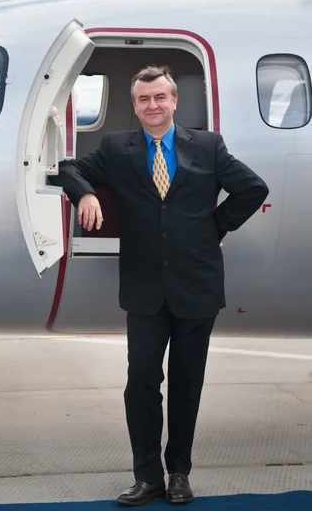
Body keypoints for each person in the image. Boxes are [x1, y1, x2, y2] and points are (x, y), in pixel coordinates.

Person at [48, 66, 269, 506]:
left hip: (197, 285)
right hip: (144, 288)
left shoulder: (207, 146)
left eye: (160, 97)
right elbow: (69, 167)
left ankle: (180, 473)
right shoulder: (117, 147)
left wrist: (215, 227)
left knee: (188, 384)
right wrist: (86, 194)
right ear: (135, 105)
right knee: (142, 383)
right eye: (144, 99)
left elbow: (252, 188)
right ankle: (147, 476)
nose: (153, 106)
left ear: (173, 101)